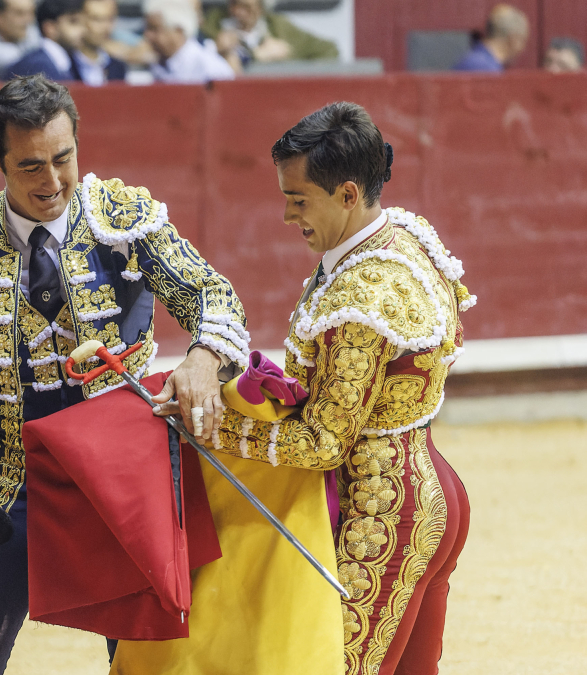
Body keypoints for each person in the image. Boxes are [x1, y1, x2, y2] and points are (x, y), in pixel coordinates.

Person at [0, 74, 249, 675]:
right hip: (12, 465)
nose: (52, 182)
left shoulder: (123, 220)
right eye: (30, 167)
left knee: (145, 659)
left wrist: (204, 357)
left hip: (122, 461)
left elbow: (214, 297)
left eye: (63, 159)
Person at [112, 102, 474, 675]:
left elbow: (325, 443)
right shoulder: (400, 237)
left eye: (300, 200)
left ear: (349, 194)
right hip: (424, 481)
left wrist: (210, 426)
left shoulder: (365, 293)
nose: (287, 215)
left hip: (382, 508)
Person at [202, 0, 338, 68]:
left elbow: (329, 50)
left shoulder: (278, 27)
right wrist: (217, 50)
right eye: (234, 4)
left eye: (246, 8)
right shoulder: (214, 24)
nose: (238, 12)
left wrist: (289, 58)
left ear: (261, 8)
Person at [143, 0, 234, 84]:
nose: (147, 35)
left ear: (178, 31)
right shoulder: (157, 64)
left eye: (154, 29)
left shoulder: (210, 68)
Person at [4, 0, 87, 81]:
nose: (83, 30)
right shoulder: (36, 65)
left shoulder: (71, 62)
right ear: (50, 28)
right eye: (74, 22)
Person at [452, 3, 529, 73]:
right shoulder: (486, 68)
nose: (522, 48)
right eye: (522, 40)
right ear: (513, 39)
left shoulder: (476, 60)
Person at [76, 0, 127, 85]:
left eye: (110, 19)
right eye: (97, 19)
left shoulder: (117, 67)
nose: (106, 27)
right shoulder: (65, 64)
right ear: (80, 20)